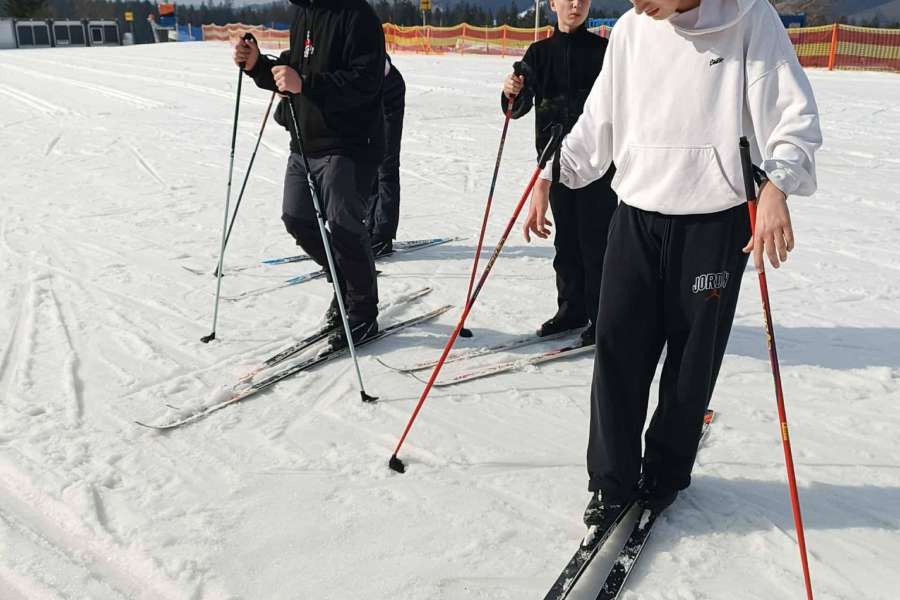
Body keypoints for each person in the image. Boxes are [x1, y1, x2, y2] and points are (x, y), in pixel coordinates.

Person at [522, 0, 822, 525]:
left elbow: (793, 118)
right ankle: (611, 482)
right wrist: (551, 173)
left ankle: (664, 473)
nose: (637, 2)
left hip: (714, 221)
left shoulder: (749, 18)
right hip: (635, 215)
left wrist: (777, 184)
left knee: (690, 363)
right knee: (616, 350)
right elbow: (598, 123)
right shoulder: (631, 31)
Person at [233, 0, 385, 347]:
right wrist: (258, 66)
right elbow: (292, 73)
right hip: (304, 139)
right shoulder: (303, 13)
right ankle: (345, 285)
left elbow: (367, 81)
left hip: (347, 142)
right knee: (297, 218)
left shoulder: (356, 15)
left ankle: (362, 313)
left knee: (344, 226)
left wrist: (306, 83)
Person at [503, 0, 618, 346]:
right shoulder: (538, 54)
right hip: (553, 164)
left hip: (598, 163)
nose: (576, 5)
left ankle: (601, 317)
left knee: (596, 243)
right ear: (553, 4)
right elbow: (517, 107)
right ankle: (571, 310)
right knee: (566, 241)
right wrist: (511, 94)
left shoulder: (604, 51)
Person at [368, 54, 406, 258]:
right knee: (367, 162)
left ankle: (383, 235)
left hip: (388, 93)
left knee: (386, 164)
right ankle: (367, 227)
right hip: (365, 96)